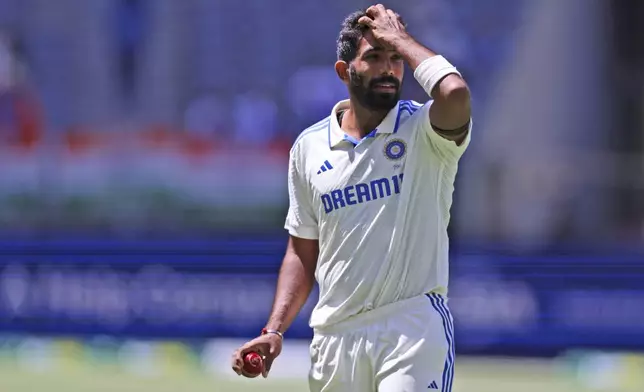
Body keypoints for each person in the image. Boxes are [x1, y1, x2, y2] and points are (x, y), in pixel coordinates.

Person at [232, 4, 471, 391]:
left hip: (409, 328)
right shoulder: (309, 147)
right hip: (334, 338)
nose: (388, 68)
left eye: (395, 59)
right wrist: (274, 330)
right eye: (374, 57)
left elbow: (455, 92)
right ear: (345, 72)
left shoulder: (425, 131)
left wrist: (400, 39)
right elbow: (302, 251)